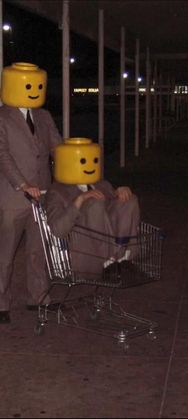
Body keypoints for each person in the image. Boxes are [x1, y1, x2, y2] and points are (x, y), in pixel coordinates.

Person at [0, 62, 62, 324]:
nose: (35, 91)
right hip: (13, 198)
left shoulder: (44, 116)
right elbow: (2, 155)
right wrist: (23, 184)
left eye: (38, 86)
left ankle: (39, 297)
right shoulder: (2, 117)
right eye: (29, 86)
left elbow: (57, 148)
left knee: (39, 250)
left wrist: (79, 176)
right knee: (6, 252)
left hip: (43, 194)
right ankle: (1, 303)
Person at [45, 138, 140, 280]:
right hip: (87, 248)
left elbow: (115, 208)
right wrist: (80, 200)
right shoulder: (57, 192)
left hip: (111, 239)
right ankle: (109, 260)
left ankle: (122, 258)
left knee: (129, 200)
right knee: (94, 203)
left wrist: (120, 191)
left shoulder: (100, 184)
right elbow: (58, 230)